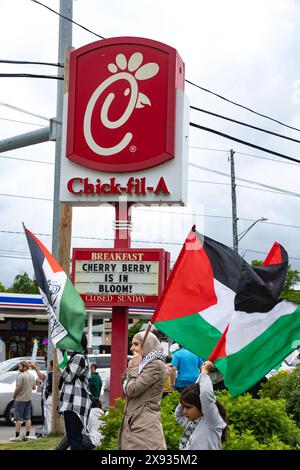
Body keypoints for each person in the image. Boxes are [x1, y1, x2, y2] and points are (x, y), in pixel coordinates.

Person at [118, 331, 167, 450]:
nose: (131, 348)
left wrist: (134, 367)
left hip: (145, 427)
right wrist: (133, 367)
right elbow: (124, 383)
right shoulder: (142, 364)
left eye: (136, 344)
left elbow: (131, 389)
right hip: (134, 423)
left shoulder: (155, 365)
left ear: (147, 345)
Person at [175, 360, 227, 450]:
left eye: (188, 407)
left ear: (202, 405)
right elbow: (178, 415)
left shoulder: (211, 421)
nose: (184, 411)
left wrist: (204, 372)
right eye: (183, 407)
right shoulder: (192, 422)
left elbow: (206, 394)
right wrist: (189, 393)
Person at [58, 334, 91, 450]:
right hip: (73, 404)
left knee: (74, 439)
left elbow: (68, 376)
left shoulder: (79, 357)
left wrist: (62, 361)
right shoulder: (78, 356)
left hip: (75, 405)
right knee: (74, 438)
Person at [10, 361, 36, 441]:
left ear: (25, 367)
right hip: (28, 399)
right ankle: (27, 435)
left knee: (17, 418)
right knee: (28, 418)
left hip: (20, 399)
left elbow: (18, 388)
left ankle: (17, 436)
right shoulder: (32, 376)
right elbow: (34, 388)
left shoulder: (20, 376)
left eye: (20, 366)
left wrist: (14, 396)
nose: (19, 368)